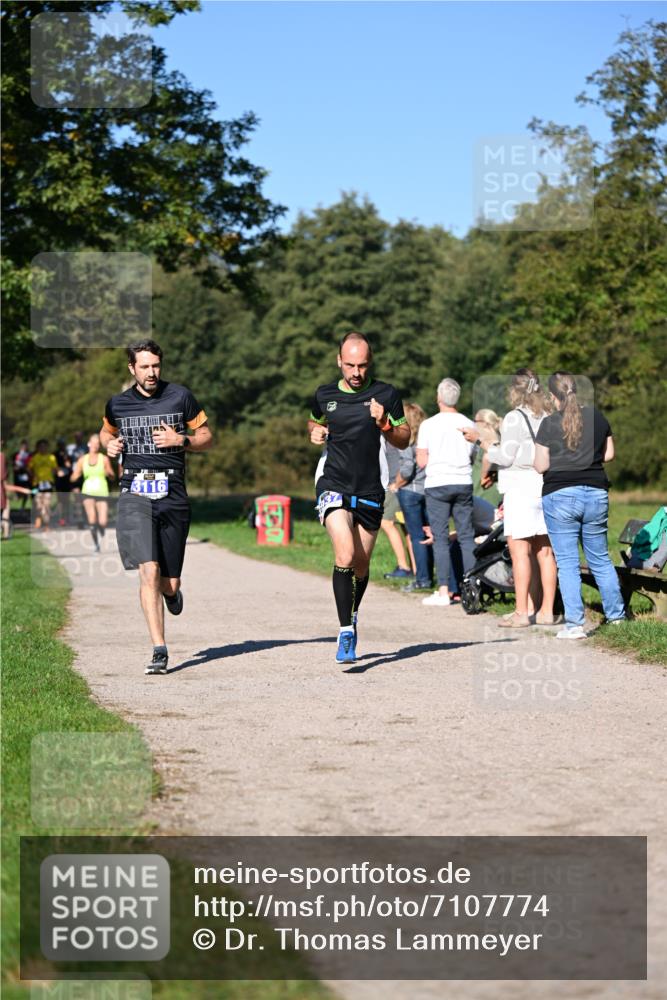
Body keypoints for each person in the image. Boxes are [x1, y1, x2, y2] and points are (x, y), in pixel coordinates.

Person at [100, 339, 212, 675]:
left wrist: (183, 441)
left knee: (169, 583)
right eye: (145, 367)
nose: (151, 373)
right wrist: (111, 444)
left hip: (173, 493)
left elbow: (207, 436)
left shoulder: (180, 396)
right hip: (134, 493)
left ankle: (172, 594)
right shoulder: (118, 404)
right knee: (147, 571)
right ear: (131, 368)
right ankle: (159, 649)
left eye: (156, 366)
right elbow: (105, 433)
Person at [309, 331, 409, 664]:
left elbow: (404, 439)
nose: (356, 373)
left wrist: (383, 422)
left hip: (370, 488)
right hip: (333, 482)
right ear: (339, 361)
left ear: (370, 363)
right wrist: (315, 432)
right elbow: (314, 422)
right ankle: (345, 632)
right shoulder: (324, 394)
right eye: (350, 365)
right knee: (346, 552)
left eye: (362, 366)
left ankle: (352, 613)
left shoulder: (386, 393)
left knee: (361, 566)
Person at [463, 368, 558, 627]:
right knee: (545, 552)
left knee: (519, 553)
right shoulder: (548, 415)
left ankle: (521, 613)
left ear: (515, 390)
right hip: (545, 486)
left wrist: (481, 441)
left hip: (521, 488)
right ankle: (545, 611)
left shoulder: (515, 418)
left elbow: (505, 457)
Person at [534, 371, 626, 638]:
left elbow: (541, 465)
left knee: (568, 562)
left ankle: (574, 625)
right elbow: (609, 454)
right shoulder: (598, 417)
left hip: (560, 494)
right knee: (599, 558)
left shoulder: (549, 423)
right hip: (596, 492)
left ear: (553, 396)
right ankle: (616, 616)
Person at [416, 378, 476, 607]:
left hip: (437, 483)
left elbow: (421, 461)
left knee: (440, 538)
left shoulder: (428, 425)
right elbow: (472, 456)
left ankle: (443, 591)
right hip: (462, 481)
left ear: (438, 397)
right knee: (466, 537)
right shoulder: (469, 423)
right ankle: (472, 587)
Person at [394, 403, 434, 594]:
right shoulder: (427, 441)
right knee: (430, 535)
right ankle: (434, 576)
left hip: (410, 492)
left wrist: (396, 484)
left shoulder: (406, 442)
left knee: (416, 536)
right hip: (429, 491)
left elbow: (407, 468)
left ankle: (422, 579)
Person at [72, 433, 115, 552]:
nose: (95, 446)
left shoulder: (104, 458)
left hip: (102, 491)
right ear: (89, 444)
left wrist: (110, 474)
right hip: (88, 492)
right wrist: (73, 477)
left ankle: (100, 532)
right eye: (93, 443)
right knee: (92, 519)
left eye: (97, 444)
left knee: (103, 522)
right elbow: (74, 475)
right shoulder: (82, 459)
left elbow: (111, 475)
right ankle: (96, 544)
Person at [382, 435, 415, 581]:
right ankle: (416, 569)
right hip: (399, 484)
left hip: (395, 485)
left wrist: (397, 483)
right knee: (407, 527)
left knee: (386, 522)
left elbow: (407, 464)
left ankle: (404, 567)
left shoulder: (396, 435)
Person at [28, 440, 58, 531]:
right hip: (37, 484)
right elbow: (29, 469)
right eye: (41, 446)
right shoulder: (34, 458)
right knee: (39, 505)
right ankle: (39, 517)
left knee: (47, 504)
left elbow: (55, 469)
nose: (43, 448)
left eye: (44, 446)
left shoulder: (51, 457)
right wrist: (33, 476)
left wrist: (51, 475)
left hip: (48, 484)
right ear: (38, 448)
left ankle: (47, 525)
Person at [12, 440, 32, 508]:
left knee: (26, 491)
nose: (24, 447)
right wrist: (15, 467)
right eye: (23, 446)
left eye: (25, 446)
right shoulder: (16, 454)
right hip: (18, 475)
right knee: (19, 491)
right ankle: (17, 497)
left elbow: (30, 464)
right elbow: (13, 464)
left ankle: (23, 506)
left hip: (26, 475)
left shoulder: (29, 455)